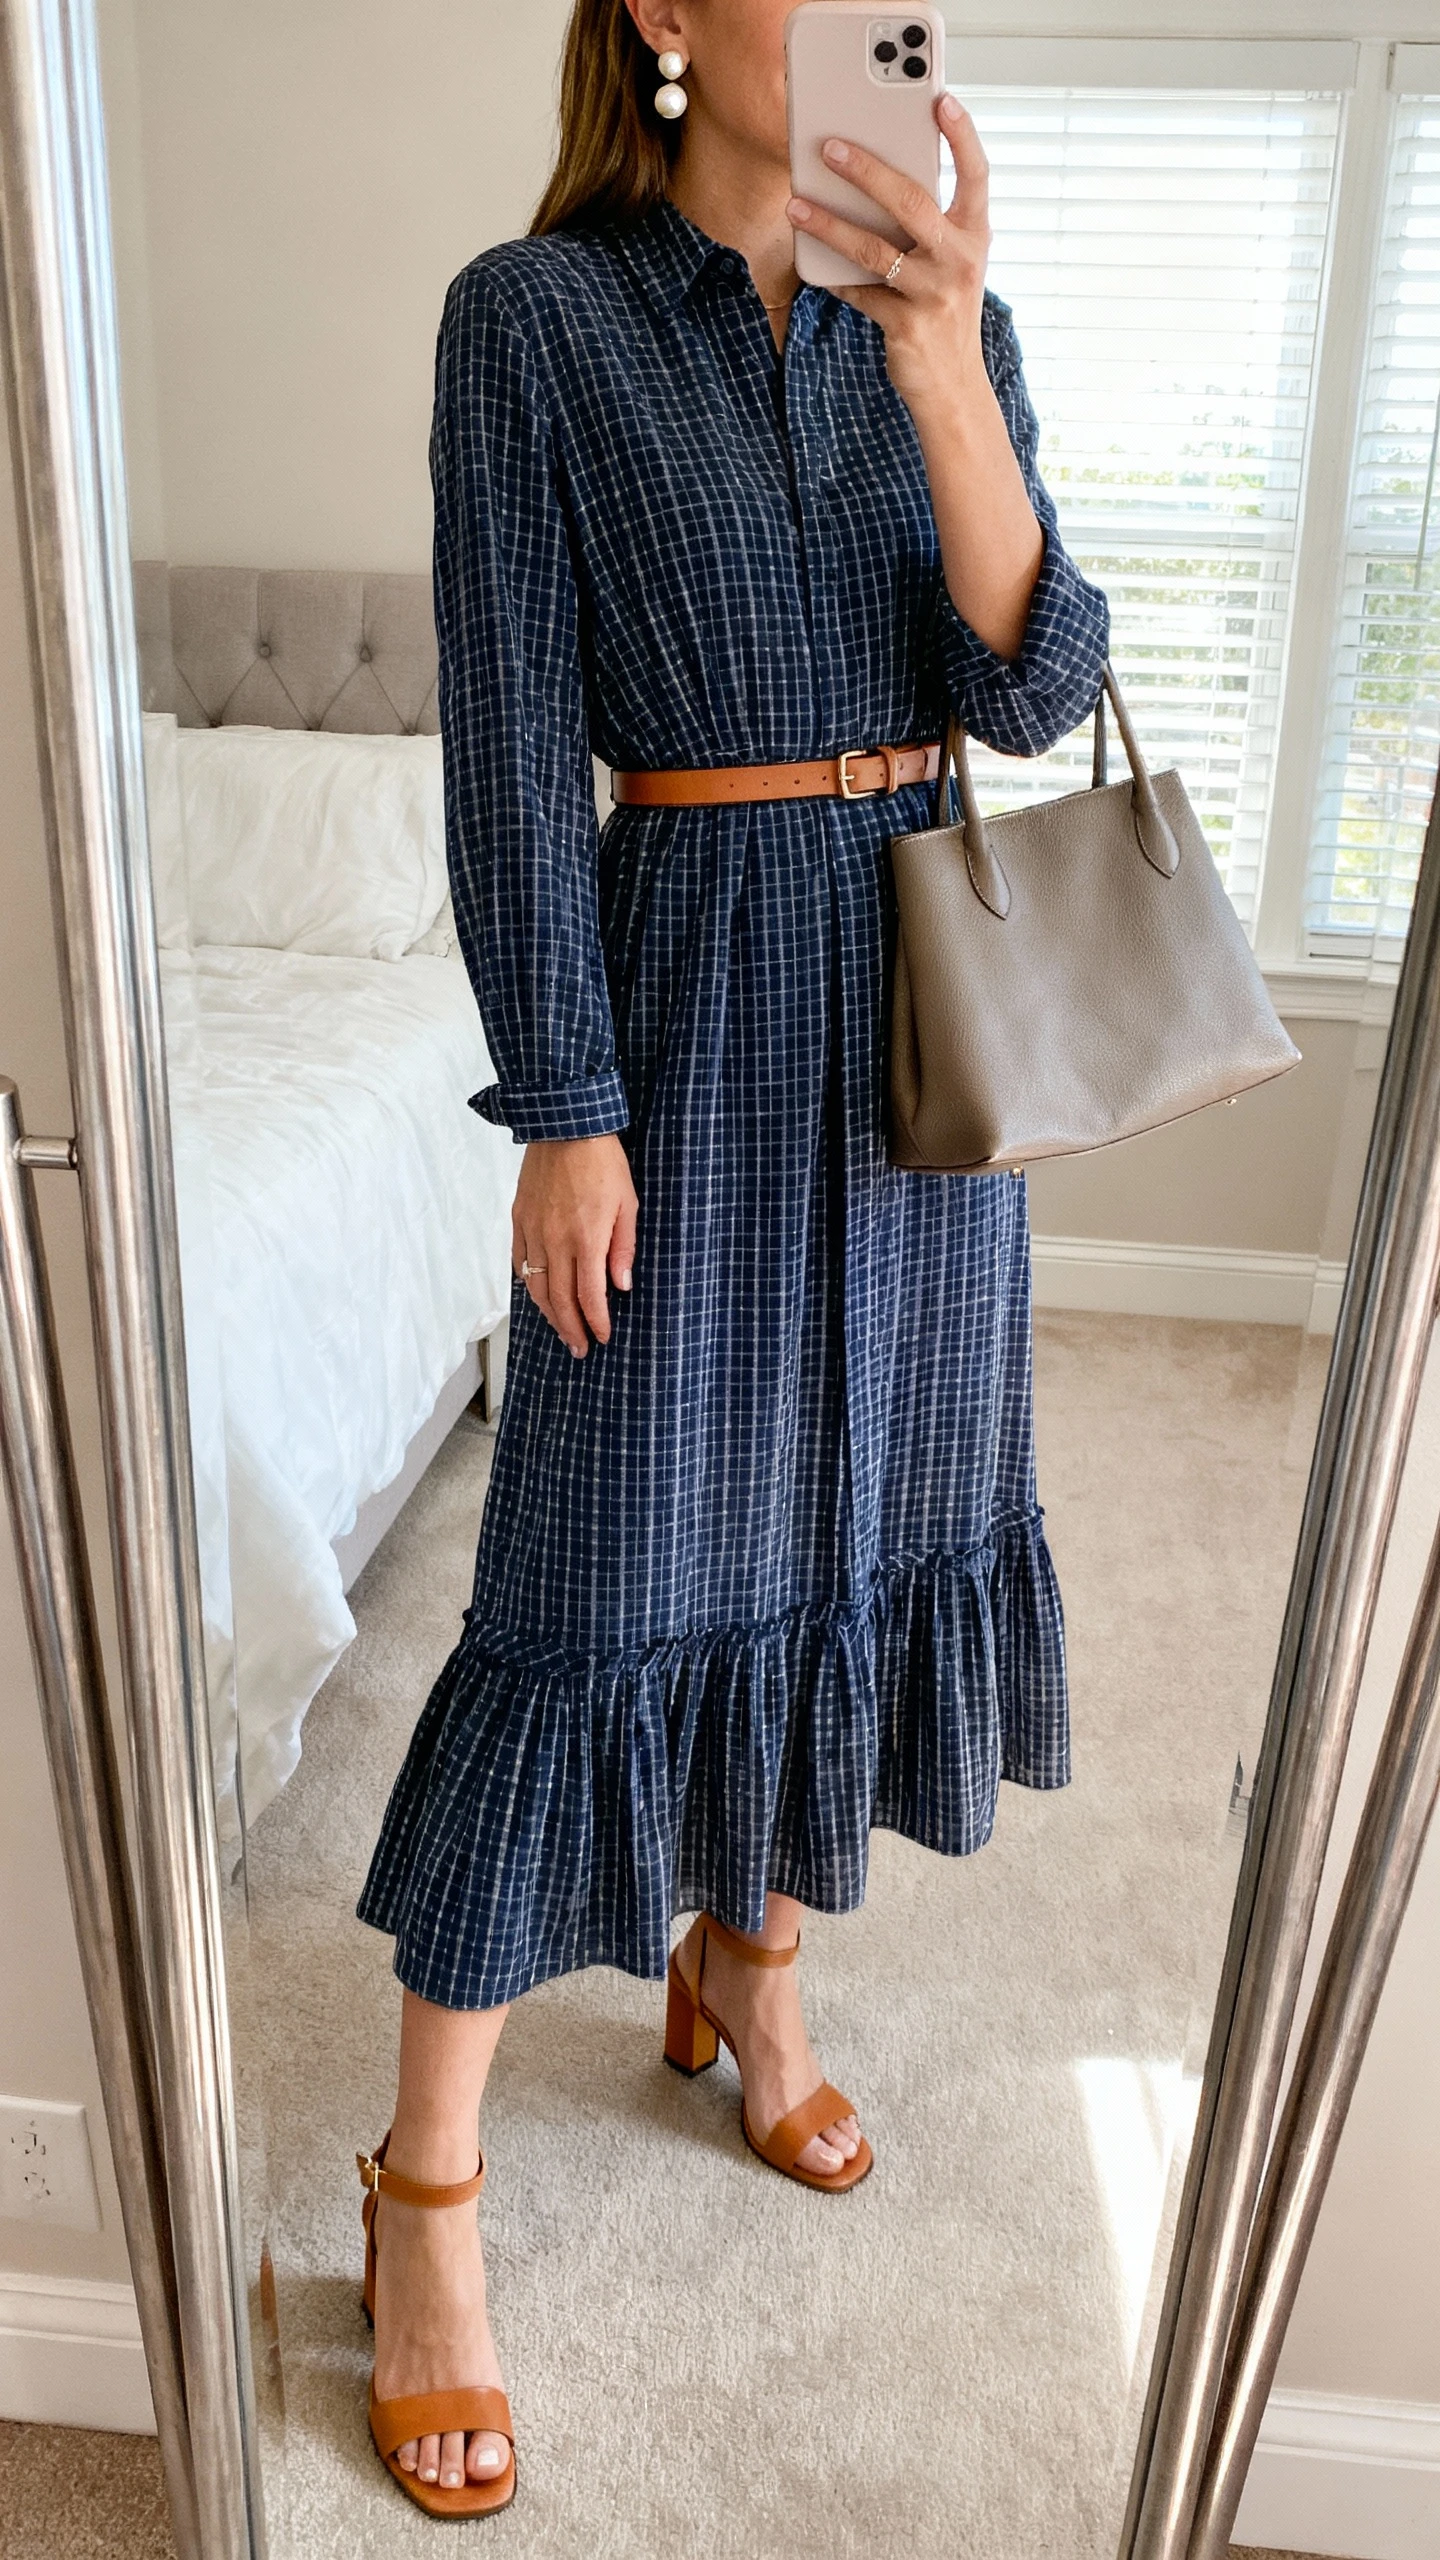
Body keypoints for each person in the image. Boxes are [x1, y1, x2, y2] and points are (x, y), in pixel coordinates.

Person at [353, 0, 1109, 2515]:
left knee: (863, 1533)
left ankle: (749, 1970)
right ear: (667, 17)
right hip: (678, 1005)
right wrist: (563, 1104)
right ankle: (424, 2193)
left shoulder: (950, 313)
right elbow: (504, 740)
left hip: (919, 1016)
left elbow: (1045, 680)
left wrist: (946, 376)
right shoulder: (532, 320)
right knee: (587, 1574)